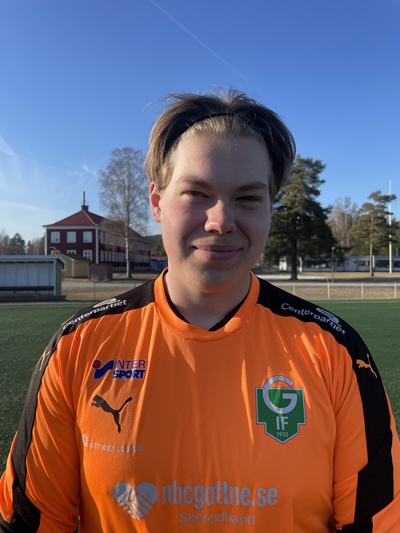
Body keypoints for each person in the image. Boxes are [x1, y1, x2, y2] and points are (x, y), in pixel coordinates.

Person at [1, 88, 399, 533]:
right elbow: (31, 524)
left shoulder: (335, 350)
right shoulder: (79, 346)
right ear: (157, 202)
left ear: (269, 209)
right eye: (196, 193)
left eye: (248, 198)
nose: (221, 221)